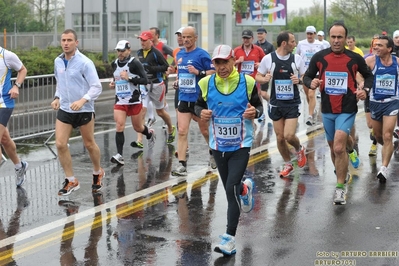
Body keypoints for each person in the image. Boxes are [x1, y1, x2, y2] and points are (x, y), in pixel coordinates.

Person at [195, 44, 263, 256]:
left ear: (234, 61)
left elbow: (258, 107)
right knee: (230, 188)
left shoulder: (247, 81)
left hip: (241, 143)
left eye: (225, 62)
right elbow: (196, 106)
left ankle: (229, 239)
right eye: (217, 62)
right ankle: (245, 189)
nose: (221, 66)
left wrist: (254, 112)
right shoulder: (205, 82)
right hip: (218, 144)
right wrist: (202, 112)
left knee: (230, 188)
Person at [303, 22, 374, 205]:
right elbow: (307, 75)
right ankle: (350, 151)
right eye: (333, 37)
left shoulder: (354, 58)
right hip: (327, 109)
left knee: (337, 148)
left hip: (347, 107)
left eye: (339, 37)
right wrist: (311, 83)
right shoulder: (320, 57)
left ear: (345, 38)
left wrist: (364, 90)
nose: (336, 41)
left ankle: (340, 188)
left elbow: (369, 76)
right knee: (336, 148)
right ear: (329, 37)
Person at [51, 29, 105, 196]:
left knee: (89, 144)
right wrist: (57, 97)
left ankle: (97, 172)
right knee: (60, 144)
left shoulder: (85, 62)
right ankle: (71, 180)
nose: (66, 43)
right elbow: (60, 82)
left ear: (76, 42)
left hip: (83, 109)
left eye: (69, 40)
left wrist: (83, 100)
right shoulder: (58, 61)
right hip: (66, 109)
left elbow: (97, 86)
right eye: (63, 40)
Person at [256, 31, 307, 178]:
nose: (295, 43)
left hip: (292, 103)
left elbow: (305, 76)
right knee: (279, 138)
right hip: (276, 104)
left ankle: (299, 148)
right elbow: (258, 76)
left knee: (289, 135)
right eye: (292, 41)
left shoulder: (296, 59)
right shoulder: (268, 59)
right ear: (284, 43)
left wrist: (300, 80)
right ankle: (288, 163)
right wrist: (264, 79)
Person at [171, 26, 216, 176]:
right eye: (183, 37)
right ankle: (182, 165)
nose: (185, 40)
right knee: (182, 131)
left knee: (204, 130)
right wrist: (177, 82)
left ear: (195, 38)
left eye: (189, 37)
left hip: (199, 99)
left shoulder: (202, 54)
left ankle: (213, 152)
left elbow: (213, 71)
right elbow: (181, 73)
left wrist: (199, 72)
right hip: (184, 98)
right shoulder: (179, 54)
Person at [109, 40, 154, 165]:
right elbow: (116, 76)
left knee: (137, 127)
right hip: (120, 100)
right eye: (118, 51)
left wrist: (129, 78)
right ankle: (120, 155)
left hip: (134, 100)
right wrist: (113, 82)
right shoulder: (114, 63)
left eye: (123, 51)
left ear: (129, 50)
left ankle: (149, 133)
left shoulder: (134, 63)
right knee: (119, 125)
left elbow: (145, 80)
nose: (120, 53)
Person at [363, 35, 399, 183]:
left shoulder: (397, 63)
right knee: (378, 136)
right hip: (375, 102)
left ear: (389, 49)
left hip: (392, 102)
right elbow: (359, 74)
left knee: (387, 135)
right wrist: (361, 85)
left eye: (380, 45)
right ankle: (388, 149)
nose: (376, 47)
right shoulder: (370, 61)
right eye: (375, 45)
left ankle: (383, 168)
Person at [131, 30, 176, 148]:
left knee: (160, 112)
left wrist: (152, 69)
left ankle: (171, 129)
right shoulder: (139, 52)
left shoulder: (156, 53)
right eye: (141, 40)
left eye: (144, 40)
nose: (142, 42)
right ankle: (139, 140)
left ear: (150, 41)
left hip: (157, 85)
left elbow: (165, 66)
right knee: (141, 111)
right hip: (144, 86)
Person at [0, 46, 28, 186]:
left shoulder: (7, 55)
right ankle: (19, 166)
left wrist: (16, 85)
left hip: (4, 103)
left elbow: (22, 69)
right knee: (4, 139)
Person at [296, 25, 325, 126]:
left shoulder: (320, 44)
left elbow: (323, 58)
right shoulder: (301, 44)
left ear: (315, 34)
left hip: (316, 73)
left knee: (311, 94)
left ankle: (310, 116)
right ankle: (312, 111)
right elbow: (297, 57)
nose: (309, 36)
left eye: (311, 34)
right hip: (305, 73)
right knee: (308, 95)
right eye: (308, 34)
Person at [255, 27, 274, 103]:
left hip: (265, 73)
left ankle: (272, 103)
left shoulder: (270, 46)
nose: (259, 35)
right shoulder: (254, 46)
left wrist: (261, 64)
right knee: (257, 94)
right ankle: (260, 110)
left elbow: (273, 59)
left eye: (261, 34)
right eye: (258, 34)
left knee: (263, 93)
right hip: (255, 73)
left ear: (265, 34)